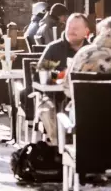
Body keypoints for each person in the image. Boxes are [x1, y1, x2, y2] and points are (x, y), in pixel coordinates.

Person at [37, 14, 91, 143]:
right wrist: (60, 75)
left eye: (76, 28)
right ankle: (60, 148)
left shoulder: (91, 51)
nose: (71, 31)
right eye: (69, 27)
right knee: (46, 109)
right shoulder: (54, 49)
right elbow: (40, 75)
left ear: (86, 31)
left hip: (85, 99)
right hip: (55, 98)